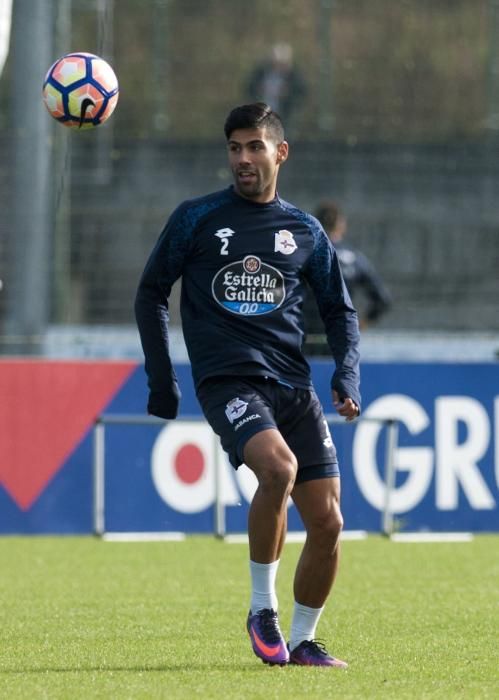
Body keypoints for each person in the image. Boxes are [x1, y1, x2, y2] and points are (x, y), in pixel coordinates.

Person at [135, 103, 361, 668]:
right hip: (229, 381)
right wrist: (161, 380)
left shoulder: (304, 230)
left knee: (330, 522)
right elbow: (151, 292)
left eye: (254, 146)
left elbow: (340, 310)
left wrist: (346, 372)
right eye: (234, 147)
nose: (242, 158)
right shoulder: (197, 218)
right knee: (278, 470)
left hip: (292, 384)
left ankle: (304, 640)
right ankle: (262, 610)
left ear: (279, 152)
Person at [313, 201, 392, 330]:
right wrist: (361, 325)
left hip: (305, 336)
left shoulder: (303, 253)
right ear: (341, 225)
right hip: (340, 334)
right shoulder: (355, 258)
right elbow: (383, 300)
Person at [246, 43, 306, 128]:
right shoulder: (261, 73)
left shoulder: (293, 77)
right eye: (275, 62)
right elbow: (249, 88)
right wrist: (258, 90)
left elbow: (301, 94)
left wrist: (288, 93)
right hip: (261, 115)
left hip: (285, 115)